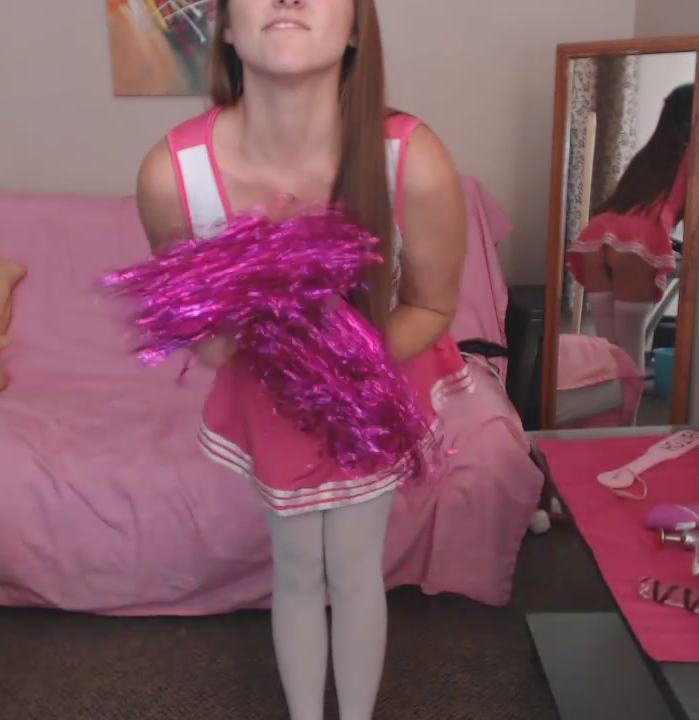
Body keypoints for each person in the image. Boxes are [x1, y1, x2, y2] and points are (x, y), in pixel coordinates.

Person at [134, 1, 470, 718]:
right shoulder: (173, 175)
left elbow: (433, 307)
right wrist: (249, 315)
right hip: (269, 401)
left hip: (369, 395)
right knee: (293, 567)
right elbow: (206, 337)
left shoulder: (413, 160)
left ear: (356, 27)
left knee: (353, 568)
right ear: (227, 26)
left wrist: (340, 363)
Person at [566, 83, 694, 373]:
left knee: (608, 347)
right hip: (637, 241)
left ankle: (607, 403)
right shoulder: (693, 159)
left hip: (597, 235)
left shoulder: (647, 156)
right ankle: (627, 406)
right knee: (630, 348)